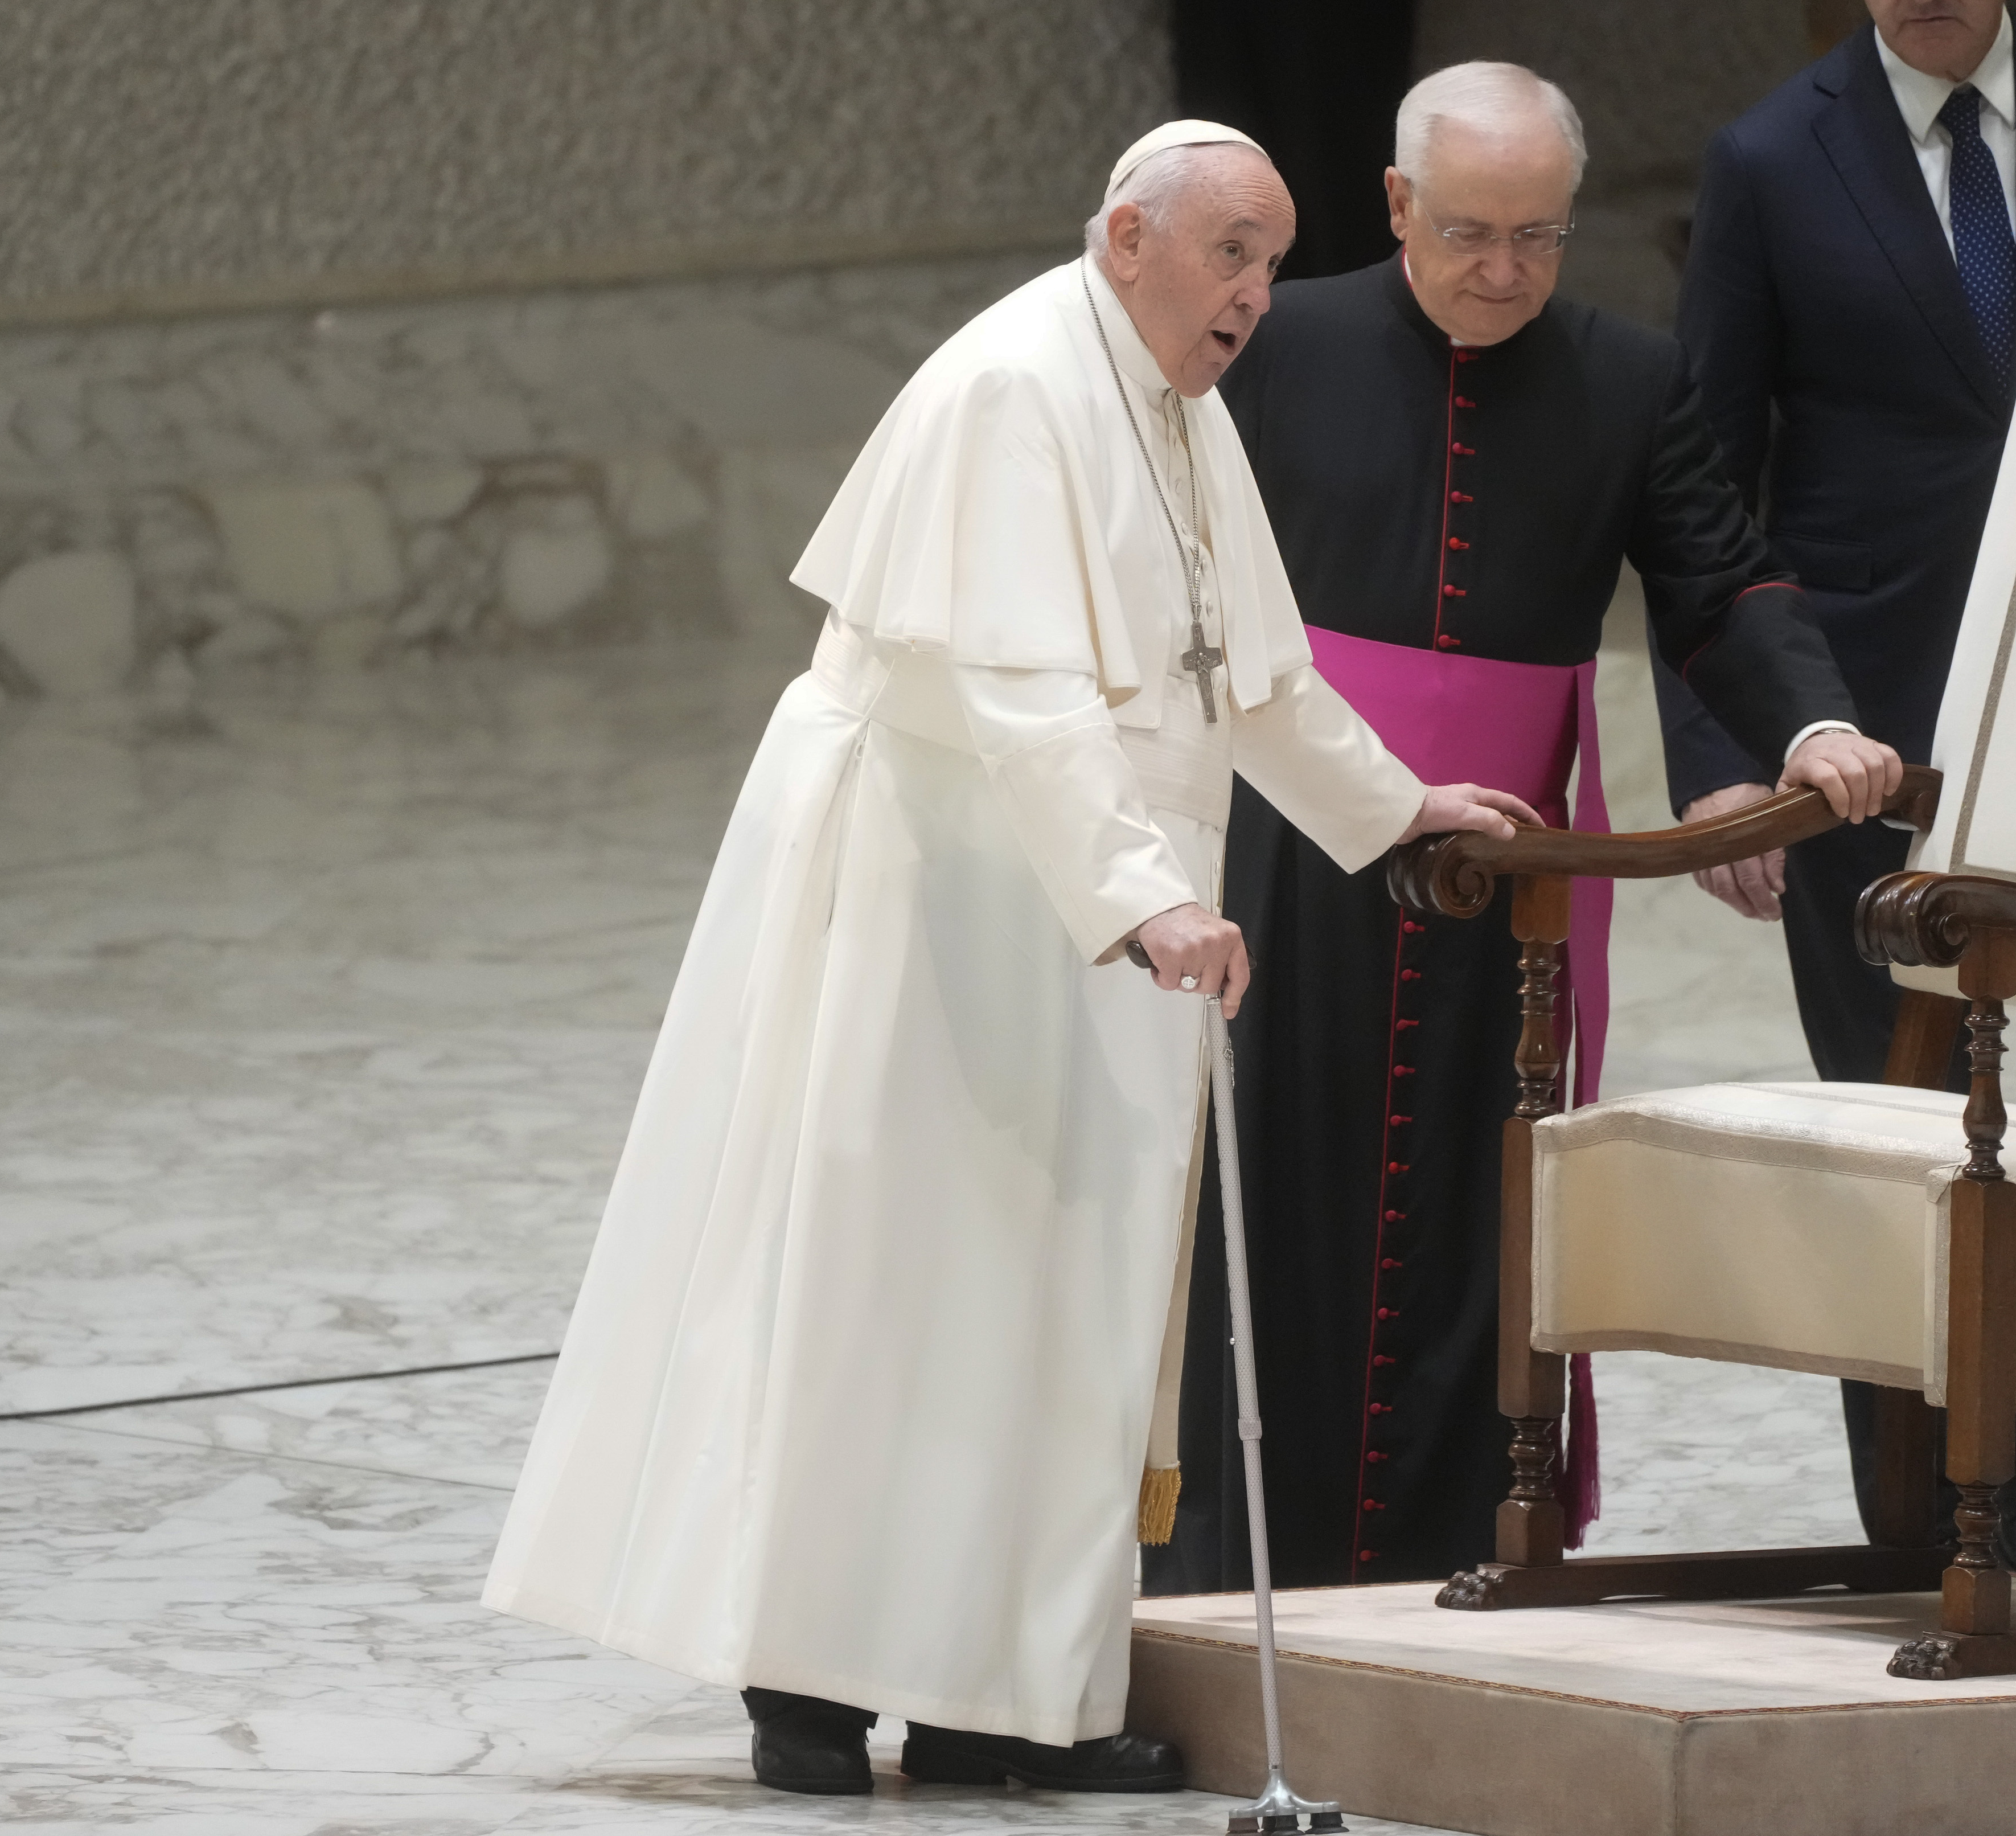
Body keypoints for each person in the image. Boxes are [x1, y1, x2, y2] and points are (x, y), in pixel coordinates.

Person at [481, 122, 1540, 1797]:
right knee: (892, 1279)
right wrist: (1143, 897)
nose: (1257, 295)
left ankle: (994, 1697)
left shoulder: (1171, 407)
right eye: (1230, 255)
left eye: (1272, 261)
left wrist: (1398, 807)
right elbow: (1023, 693)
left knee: (1057, 1293)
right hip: (940, 891)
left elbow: (1243, 671)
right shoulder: (1012, 391)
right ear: (1128, 237)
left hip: (1076, 903)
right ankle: (811, 1690)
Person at [1142, 62, 1903, 1599]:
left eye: (1540, 238)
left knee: (1473, 1210)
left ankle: (1454, 1548)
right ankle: (1231, 1567)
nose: (1504, 272)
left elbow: (1721, 581)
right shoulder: (1271, 346)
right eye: (1472, 232)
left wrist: (1808, 723)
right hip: (1287, 838)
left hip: (1518, 876)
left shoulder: (1625, 376)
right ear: (1399, 207)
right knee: (1267, 1190)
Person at [1654, 0, 2016, 1583]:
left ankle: (2007, 1434)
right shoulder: (1770, 159)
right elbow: (1703, 473)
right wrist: (1718, 760)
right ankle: (1943, 1504)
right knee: (1895, 1123)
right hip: (1863, 733)